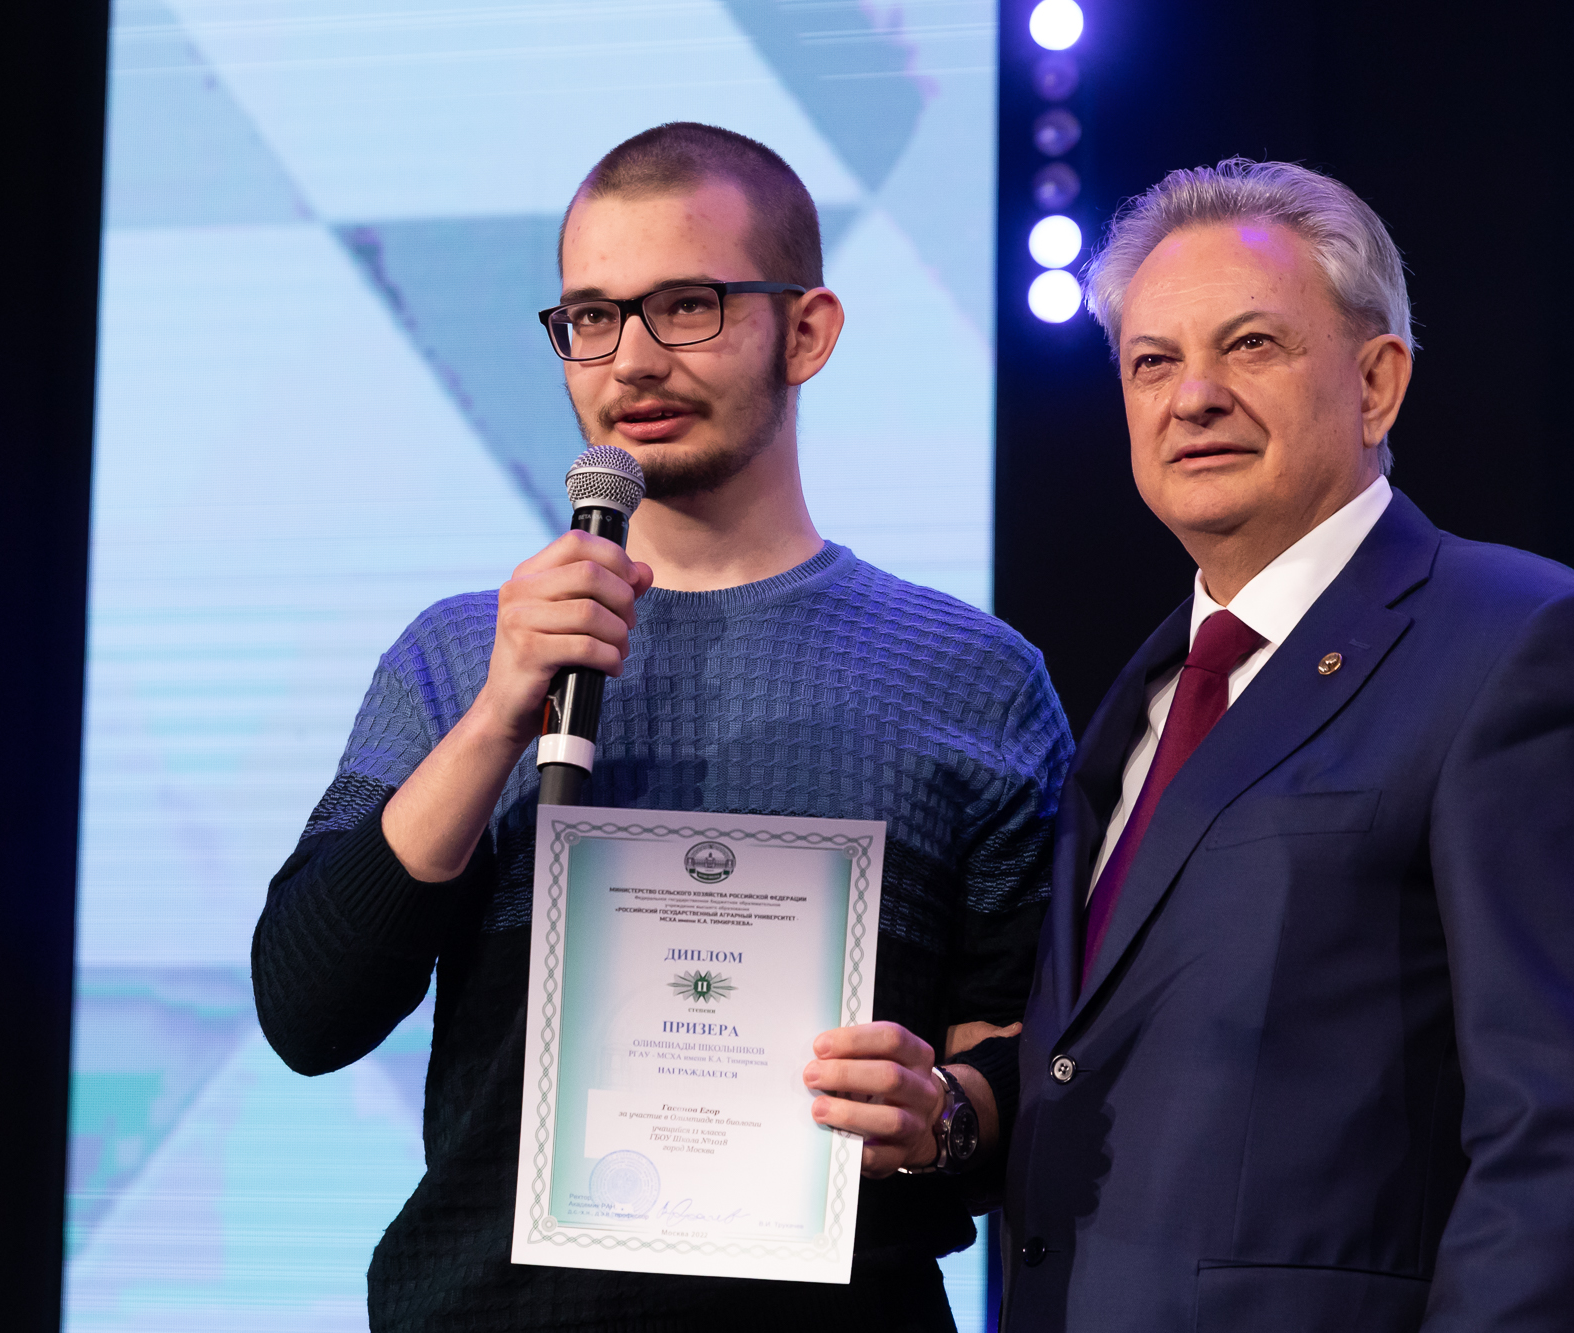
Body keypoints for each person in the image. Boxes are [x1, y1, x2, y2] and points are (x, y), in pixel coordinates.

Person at [252, 122, 1071, 1331]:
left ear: (807, 332)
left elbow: (1036, 1060)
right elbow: (307, 1013)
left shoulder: (971, 678)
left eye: (686, 306)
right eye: (591, 316)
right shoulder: (459, 656)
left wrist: (943, 1110)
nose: (631, 360)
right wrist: (499, 713)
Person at [998, 158, 1574, 1331]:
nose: (1192, 396)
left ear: (1376, 383)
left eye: (1250, 345)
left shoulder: (1525, 647)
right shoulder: (1148, 691)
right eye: (1151, 362)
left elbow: (1572, 1149)